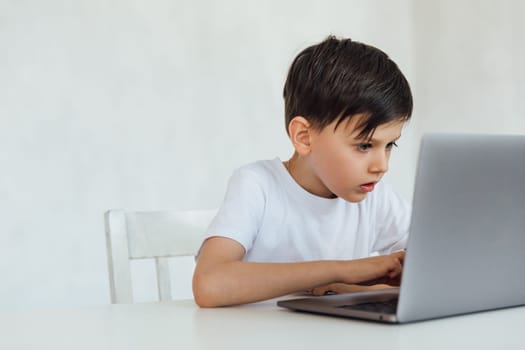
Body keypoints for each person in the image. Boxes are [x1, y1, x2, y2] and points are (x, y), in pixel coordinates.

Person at [193, 35, 413, 307]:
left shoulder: (377, 198)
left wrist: (353, 284)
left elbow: (436, 261)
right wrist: (343, 269)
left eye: (390, 144)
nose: (382, 165)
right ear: (304, 137)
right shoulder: (257, 185)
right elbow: (209, 284)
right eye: (364, 145)